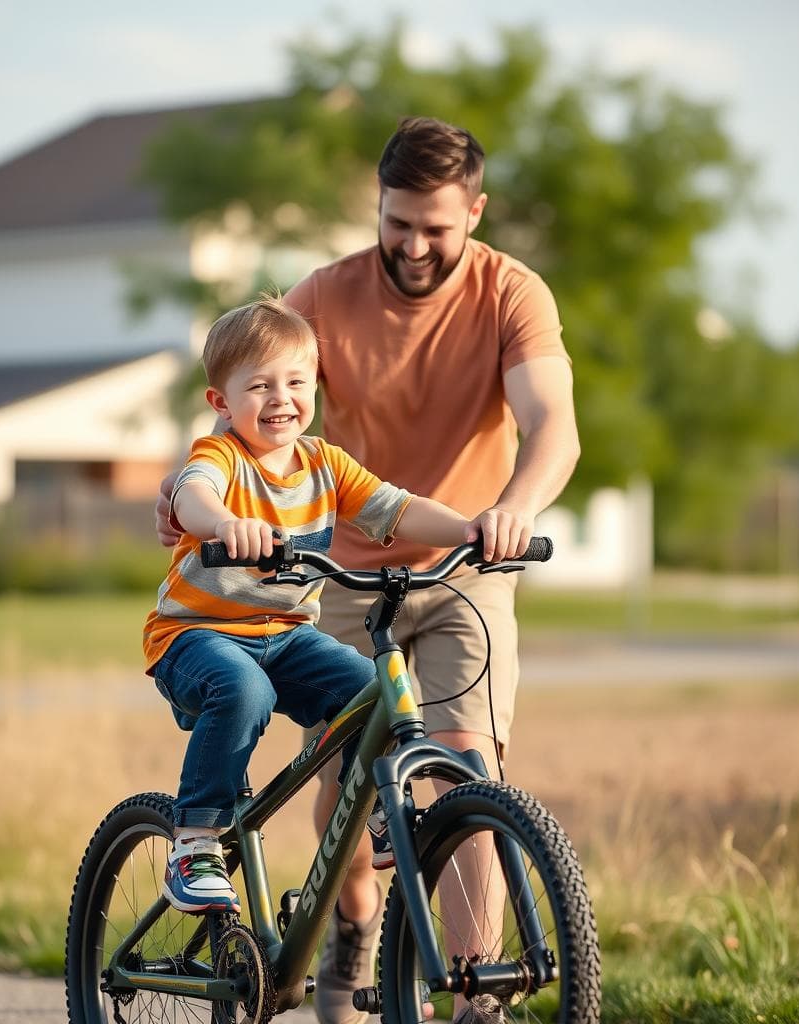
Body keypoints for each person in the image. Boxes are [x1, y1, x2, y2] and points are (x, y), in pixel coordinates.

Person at [155, 118, 579, 1021]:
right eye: (398, 223)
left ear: (476, 211)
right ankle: (352, 921)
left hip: (467, 558)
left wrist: (510, 511)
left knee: (467, 762)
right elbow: (247, 393)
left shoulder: (514, 293)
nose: (416, 245)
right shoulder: (326, 296)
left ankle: (475, 994)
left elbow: (552, 425)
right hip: (333, 571)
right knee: (343, 771)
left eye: (438, 226)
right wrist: (193, 493)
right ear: (378, 207)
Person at [145, 294, 508, 913]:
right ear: (221, 403)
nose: (281, 398)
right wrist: (226, 523)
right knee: (245, 692)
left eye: (296, 381)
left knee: (371, 692)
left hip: (285, 633)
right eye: (258, 385)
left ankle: (378, 815)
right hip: (196, 636)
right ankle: (196, 838)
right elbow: (192, 497)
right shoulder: (221, 457)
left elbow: (398, 507)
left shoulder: (324, 463)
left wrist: (472, 530)